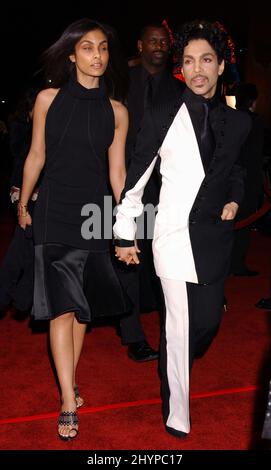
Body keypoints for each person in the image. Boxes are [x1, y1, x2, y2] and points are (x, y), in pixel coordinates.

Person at [113, 20, 251, 437]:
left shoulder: (240, 122)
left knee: (205, 325)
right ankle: (177, 414)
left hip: (213, 239)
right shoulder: (162, 115)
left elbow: (237, 170)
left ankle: (176, 356)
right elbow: (137, 175)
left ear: (221, 66)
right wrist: (123, 231)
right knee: (177, 326)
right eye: (188, 61)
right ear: (181, 68)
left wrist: (235, 197)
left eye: (206, 60)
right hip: (171, 236)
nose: (197, 70)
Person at [18, 18, 129, 440]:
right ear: (71, 54)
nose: (97, 56)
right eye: (87, 48)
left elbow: (117, 174)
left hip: (94, 216)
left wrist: (125, 226)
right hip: (54, 212)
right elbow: (36, 155)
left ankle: (69, 380)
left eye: (102, 48)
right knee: (61, 308)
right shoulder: (49, 98)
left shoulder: (117, 111)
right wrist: (24, 202)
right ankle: (68, 398)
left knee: (80, 310)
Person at [117, 23, 185, 362]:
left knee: (160, 260)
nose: (159, 45)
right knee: (126, 256)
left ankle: (168, 330)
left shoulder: (178, 90)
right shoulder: (121, 82)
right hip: (121, 183)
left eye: (163, 41)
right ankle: (132, 334)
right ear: (140, 45)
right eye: (152, 40)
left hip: (164, 187)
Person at [230, 82, 265, 276]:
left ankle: (230, 263)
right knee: (243, 223)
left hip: (230, 177)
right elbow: (255, 156)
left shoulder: (229, 118)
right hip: (247, 179)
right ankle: (237, 265)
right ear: (253, 100)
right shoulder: (255, 121)